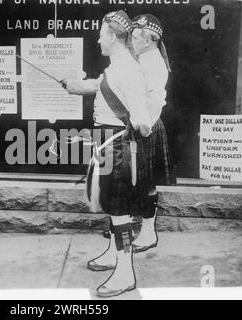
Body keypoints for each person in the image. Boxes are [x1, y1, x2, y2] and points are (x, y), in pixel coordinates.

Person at [62, 10, 152, 298]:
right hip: (108, 145)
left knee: (119, 212)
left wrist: (134, 135)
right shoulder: (116, 68)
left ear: (112, 37)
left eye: (101, 34)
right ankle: (114, 255)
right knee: (114, 208)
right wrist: (72, 85)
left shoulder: (128, 69)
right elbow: (100, 86)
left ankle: (125, 273)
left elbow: (141, 119)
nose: (97, 39)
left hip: (118, 146)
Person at [130, 14, 176, 253]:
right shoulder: (143, 59)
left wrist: (141, 128)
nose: (132, 40)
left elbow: (154, 101)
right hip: (139, 125)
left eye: (136, 37)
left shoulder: (152, 63)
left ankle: (148, 234)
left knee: (147, 182)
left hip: (145, 127)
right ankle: (128, 225)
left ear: (149, 40)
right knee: (133, 179)